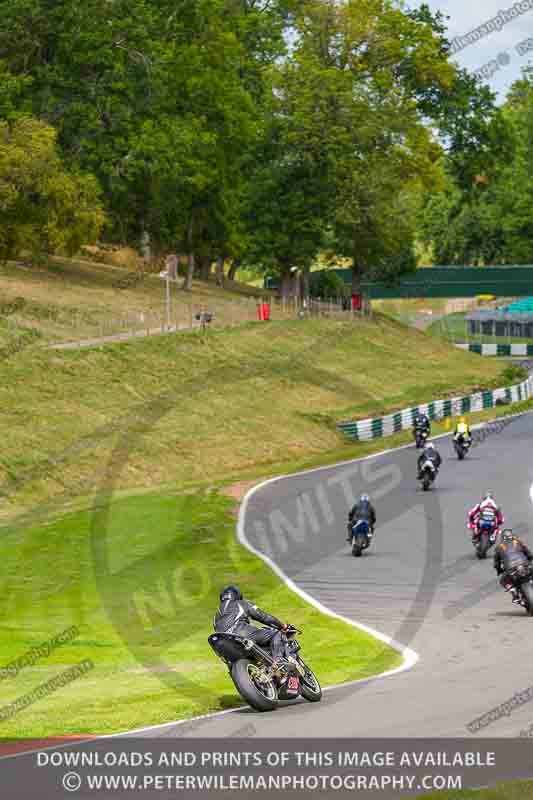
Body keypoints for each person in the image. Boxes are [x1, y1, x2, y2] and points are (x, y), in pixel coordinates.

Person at [213, 585, 291, 672]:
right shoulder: (241, 603)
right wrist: (282, 626)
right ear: (237, 595)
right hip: (242, 634)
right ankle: (279, 661)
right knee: (277, 634)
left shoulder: (216, 617)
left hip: (225, 645)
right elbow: (263, 617)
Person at [493, 530, 533, 603]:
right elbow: (529, 554)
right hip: (525, 565)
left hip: (511, 569)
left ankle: (514, 593)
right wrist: (530, 559)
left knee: (503, 581)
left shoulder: (499, 547)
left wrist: (499, 570)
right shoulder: (518, 542)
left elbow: (496, 563)